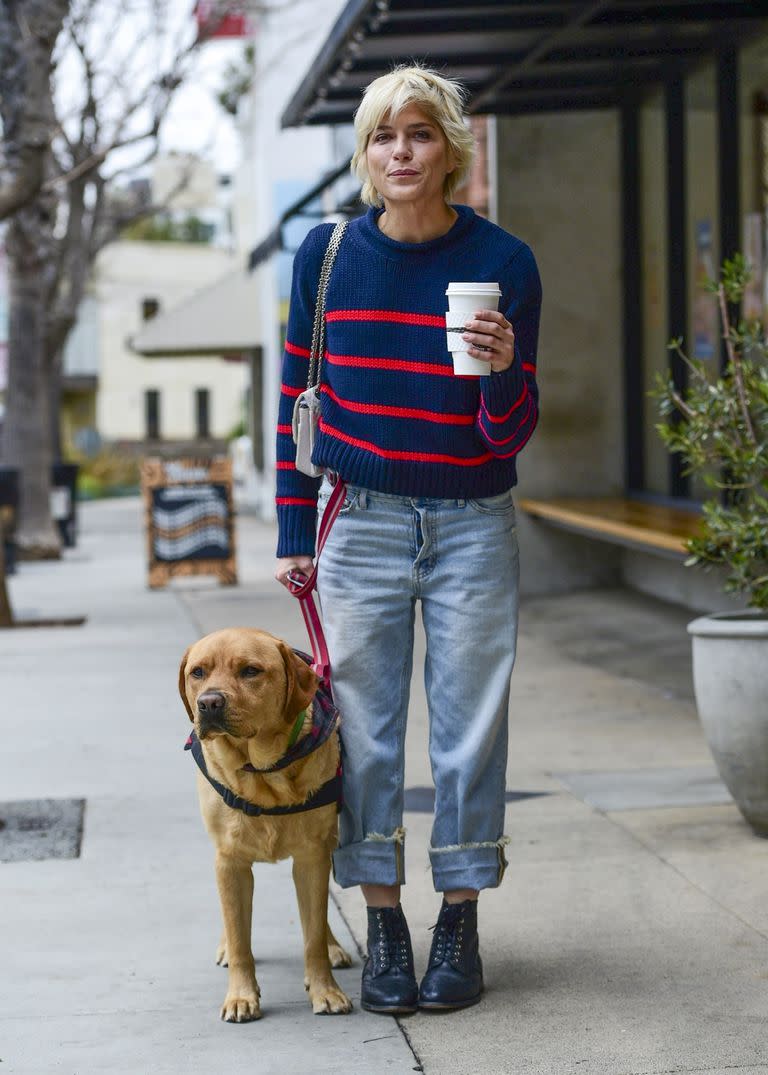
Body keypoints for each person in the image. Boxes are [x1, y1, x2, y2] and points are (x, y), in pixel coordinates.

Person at [274, 64, 542, 1014]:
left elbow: (509, 434)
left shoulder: (506, 261)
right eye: (385, 136)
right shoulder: (329, 254)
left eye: (420, 135)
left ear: (450, 149)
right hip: (362, 518)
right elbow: (293, 399)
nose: (401, 153)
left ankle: (458, 920)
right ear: (366, 149)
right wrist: (293, 524)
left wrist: (503, 376)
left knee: (470, 732)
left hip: (474, 520)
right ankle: (383, 920)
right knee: (369, 734)